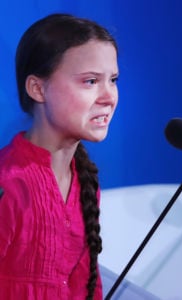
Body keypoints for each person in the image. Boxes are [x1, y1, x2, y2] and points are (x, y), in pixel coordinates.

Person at [0, 13, 119, 300]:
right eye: (90, 81)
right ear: (38, 89)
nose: (108, 96)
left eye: (113, 80)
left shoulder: (85, 182)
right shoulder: (9, 183)